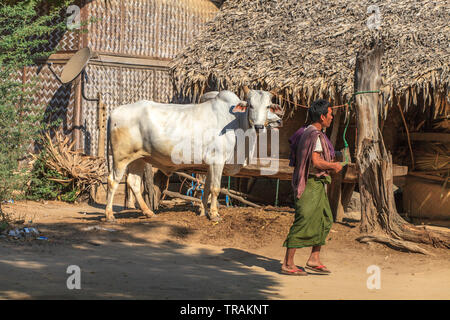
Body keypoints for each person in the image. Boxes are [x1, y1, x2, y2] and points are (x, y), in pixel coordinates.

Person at [281, 99, 343, 276]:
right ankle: (288, 263)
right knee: (303, 220)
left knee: (325, 218)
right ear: (322, 117)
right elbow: (315, 161)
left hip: (316, 184)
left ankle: (314, 258)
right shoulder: (314, 136)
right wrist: (334, 166)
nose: (331, 118)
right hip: (309, 184)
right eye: (330, 115)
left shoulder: (306, 131)